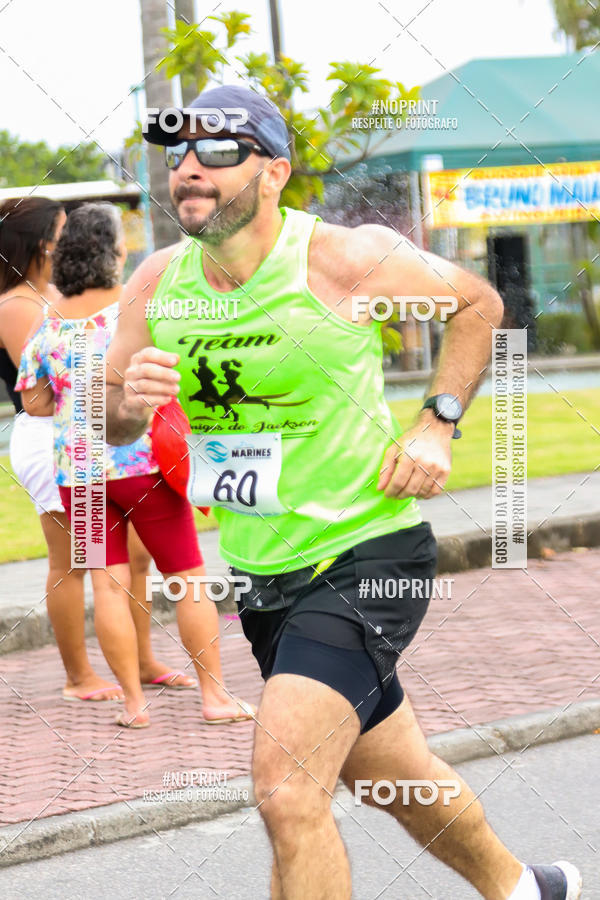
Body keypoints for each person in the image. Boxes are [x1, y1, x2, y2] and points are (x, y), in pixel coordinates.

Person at [103, 86, 581, 897]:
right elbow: (112, 422)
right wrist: (126, 400)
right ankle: (521, 887)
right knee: (392, 773)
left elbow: (479, 302)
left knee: (287, 792)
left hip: (366, 554)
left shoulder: (344, 259)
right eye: (179, 153)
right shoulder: (158, 283)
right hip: (262, 574)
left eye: (218, 151)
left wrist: (437, 421)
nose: (189, 169)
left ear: (274, 172)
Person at [17, 202, 254, 728]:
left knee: (107, 586)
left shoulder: (48, 324)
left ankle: (133, 703)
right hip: (145, 466)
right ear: (114, 255)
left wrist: (73, 396)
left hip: (79, 474)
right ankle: (214, 698)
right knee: (187, 579)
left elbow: (32, 403)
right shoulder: (138, 307)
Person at [0, 196, 124, 702]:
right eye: (58, 232)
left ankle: (136, 660)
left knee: (121, 556)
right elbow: (52, 377)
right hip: (49, 433)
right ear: (35, 242)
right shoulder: (17, 305)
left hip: (85, 428)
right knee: (71, 559)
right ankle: (78, 676)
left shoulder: (52, 293)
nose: (65, 241)